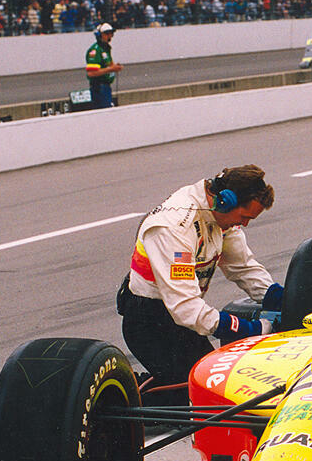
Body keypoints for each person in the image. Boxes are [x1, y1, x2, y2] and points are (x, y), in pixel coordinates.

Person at [116, 165, 283, 403]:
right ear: (225, 201)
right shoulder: (173, 228)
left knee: (216, 385)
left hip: (178, 320)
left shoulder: (221, 216)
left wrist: (282, 298)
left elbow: (243, 268)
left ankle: (146, 383)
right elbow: (187, 309)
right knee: (196, 398)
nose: (245, 224)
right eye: (244, 217)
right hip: (149, 321)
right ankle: (119, 394)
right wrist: (252, 330)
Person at [85, 22, 122, 109]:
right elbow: (91, 73)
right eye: (107, 34)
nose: (110, 36)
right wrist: (110, 69)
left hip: (106, 86)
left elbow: (109, 64)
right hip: (99, 87)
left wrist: (114, 67)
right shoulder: (95, 50)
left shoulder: (106, 48)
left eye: (111, 33)